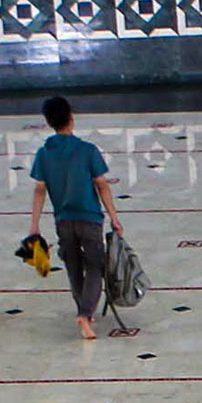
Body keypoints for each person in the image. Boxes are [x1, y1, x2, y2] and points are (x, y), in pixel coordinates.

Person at [26, 96, 135, 339]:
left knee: (73, 267)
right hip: (90, 218)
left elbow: (39, 190)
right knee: (96, 265)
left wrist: (34, 226)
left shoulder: (43, 154)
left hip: (63, 220)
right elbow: (102, 185)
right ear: (71, 118)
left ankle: (83, 309)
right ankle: (85, 314)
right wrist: (114, 217)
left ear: (49, 122)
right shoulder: (87, 150)